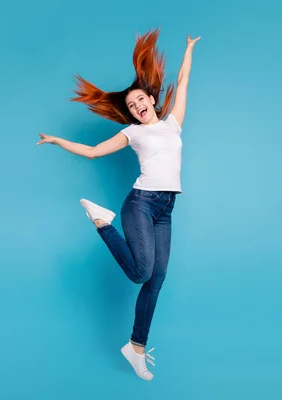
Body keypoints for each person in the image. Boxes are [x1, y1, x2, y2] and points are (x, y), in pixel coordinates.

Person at [36, 28, 200, 381]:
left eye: (140, 101)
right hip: (140, 203)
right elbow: (94, 152)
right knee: (141, 272)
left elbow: (183, 83)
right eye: (130, 107)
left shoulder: (174, 124)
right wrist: (57, 141)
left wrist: (188, 51)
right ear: (130, 114)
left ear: (152, 100)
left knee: (155, 280)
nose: (137, 107)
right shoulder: (133, 133)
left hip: (166, 209)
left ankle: (136, 347)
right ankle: (102, 222)